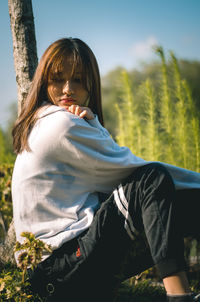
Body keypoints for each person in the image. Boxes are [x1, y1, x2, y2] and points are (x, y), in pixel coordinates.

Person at [11, 37, 200, 302]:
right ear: (43, 82)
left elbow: (110, 170)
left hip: (52, 271)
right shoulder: (61, 124)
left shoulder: (41, 120)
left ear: (90, 85)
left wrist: (94, 124)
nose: (67, 89)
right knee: (153, 180)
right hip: (59, 269)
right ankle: (179, 296)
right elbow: (133, 171)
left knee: (171, 199)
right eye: (58, 79)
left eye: (78, 80)